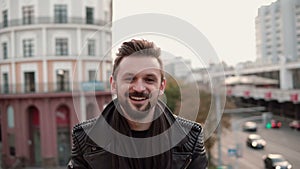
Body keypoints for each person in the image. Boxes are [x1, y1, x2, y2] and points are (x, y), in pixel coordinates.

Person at [68, 39, 208, 169]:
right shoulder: (85, 139)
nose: (139, 88)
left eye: (149, 79)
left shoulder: (190, 138)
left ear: (162, 86)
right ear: (113, 84)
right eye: (129, 78)